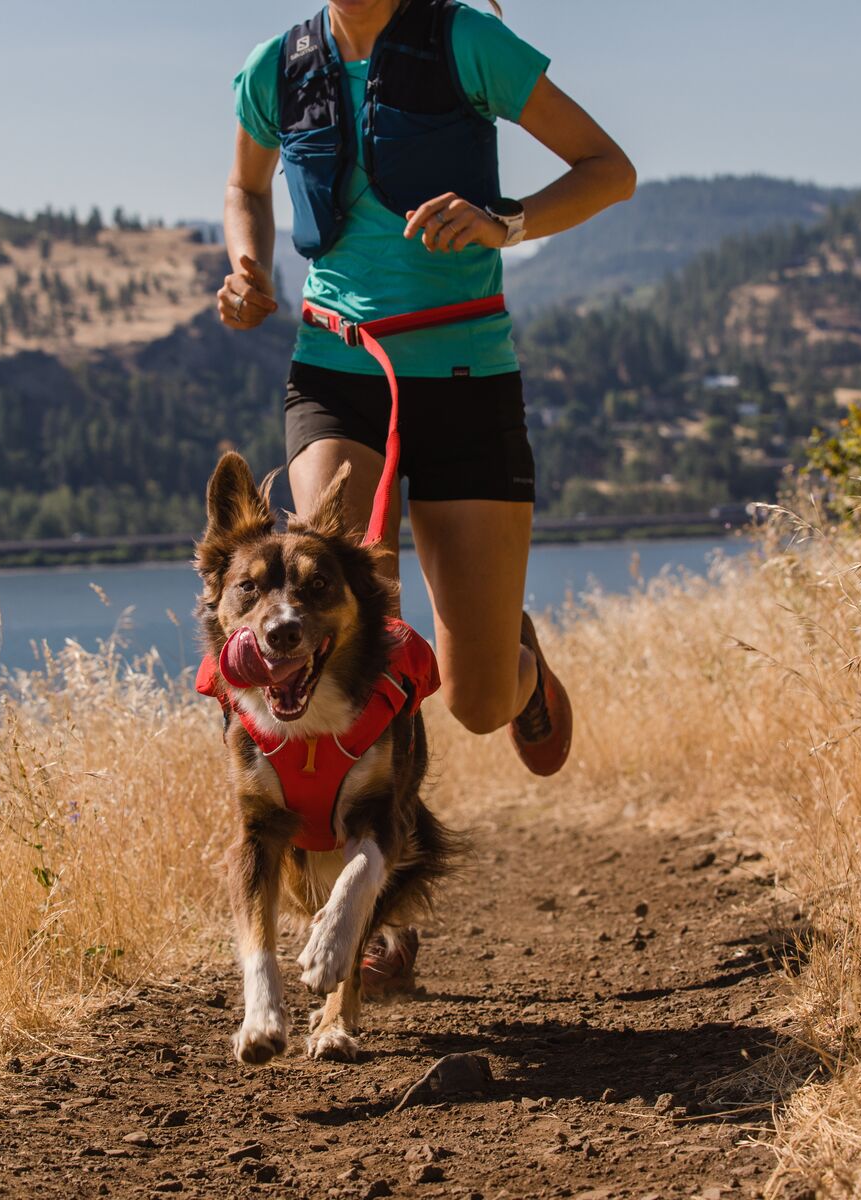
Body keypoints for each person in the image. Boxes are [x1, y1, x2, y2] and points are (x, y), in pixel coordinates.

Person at [218, 0, 635, 991]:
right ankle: (374, 908)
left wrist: (508, 222)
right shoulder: (277, 67)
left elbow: (609, 170)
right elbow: (245, 182)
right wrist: (245, 261)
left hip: (464, 379)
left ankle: (517, 666)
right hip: (334, 370)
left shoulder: (467, 44)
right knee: (338, 629)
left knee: (477, 699)